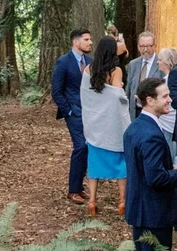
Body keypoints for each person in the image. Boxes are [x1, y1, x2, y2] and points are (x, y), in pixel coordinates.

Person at [123, 76, 177, 251]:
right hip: (154, 212)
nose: (170, 100)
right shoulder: (151, 135)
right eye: (165, 96)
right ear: (150, 100)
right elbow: (155, 178)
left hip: (140, 209)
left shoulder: (134, 128)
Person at [80, 35, 130, 217]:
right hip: (112, 126)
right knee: (121, 164)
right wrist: (121, 88)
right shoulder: (115, 71)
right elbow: (116, 96)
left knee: (94, 165)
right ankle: (122, 201)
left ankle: (92, 201)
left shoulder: (88, 69)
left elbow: (86, 95)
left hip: (95, 125)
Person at [51, 28, 93, 204]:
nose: (90, 42)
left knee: (88, 148)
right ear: (76, 42)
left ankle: (79, 187)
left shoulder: (90, 61)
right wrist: (68, 110)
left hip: (90, 112)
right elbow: (56, 91)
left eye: (90, 39)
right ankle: (73, 190)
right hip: (74, 112)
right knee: (80, 146)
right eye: (86, 40)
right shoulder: (63, 62)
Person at [152, 47, 177, 157]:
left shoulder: (167, 81)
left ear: (166, 62)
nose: (157, 62)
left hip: (168, 124)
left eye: (159, 59)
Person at [125, 31, 158, 118]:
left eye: (149, 46)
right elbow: (128, 90)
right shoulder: (133, 64)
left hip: (153, 112)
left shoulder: (161, 63)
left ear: (154, 46)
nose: (145, 49)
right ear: (138, 47)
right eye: (142, 46)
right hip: (135, 112)